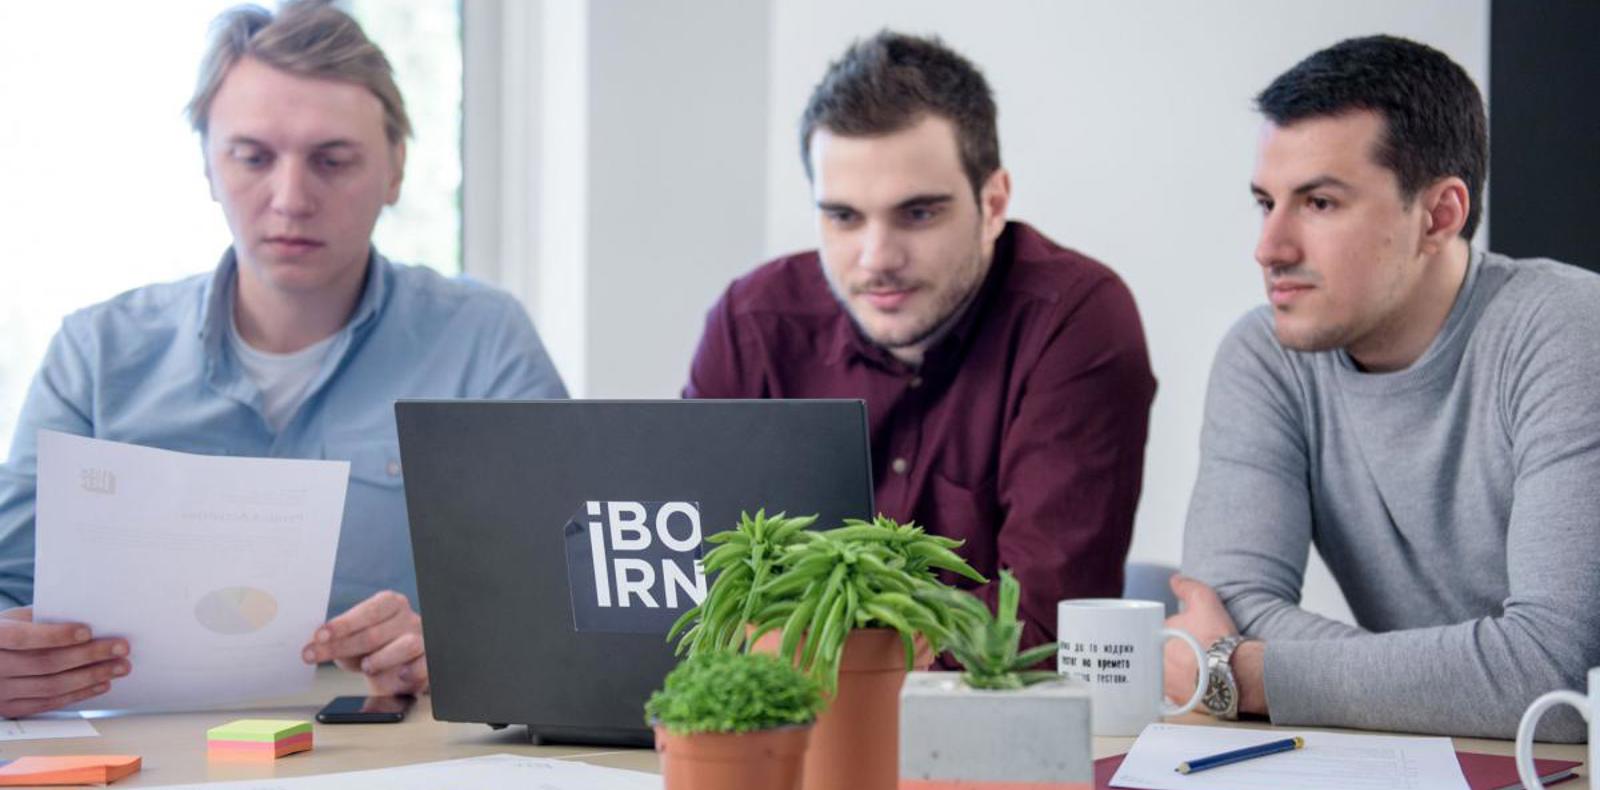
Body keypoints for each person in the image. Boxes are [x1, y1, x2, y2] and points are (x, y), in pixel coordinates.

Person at [0, 0, 566, 717]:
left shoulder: (484, 344)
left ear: (396, 171)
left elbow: (566, 597)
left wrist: (458, 645)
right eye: (253, 157)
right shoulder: (96, 355)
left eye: (333, 161)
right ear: (208, 165)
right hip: (144, 758)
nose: (291, 199)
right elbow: (8, 585)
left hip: (392, 758)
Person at [1165, 35, 1600, 741]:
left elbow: (1556, 677)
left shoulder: (1569, 332)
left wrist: (1242, 676)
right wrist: (1475, 679)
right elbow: (1224, 607)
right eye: (1265, 202)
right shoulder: (1266, 354)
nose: (1269, 248)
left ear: (1439, 215)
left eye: (1320, 203)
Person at [685, 31, 1156, 651]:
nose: (877, 258)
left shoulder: (1073, 320)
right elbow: (689, 592)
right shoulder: (751, 322)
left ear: (993, 204)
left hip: (986, 741)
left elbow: (1039, 631)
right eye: (843, 217)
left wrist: (800, 652)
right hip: (774, 732)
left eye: (918, 214)